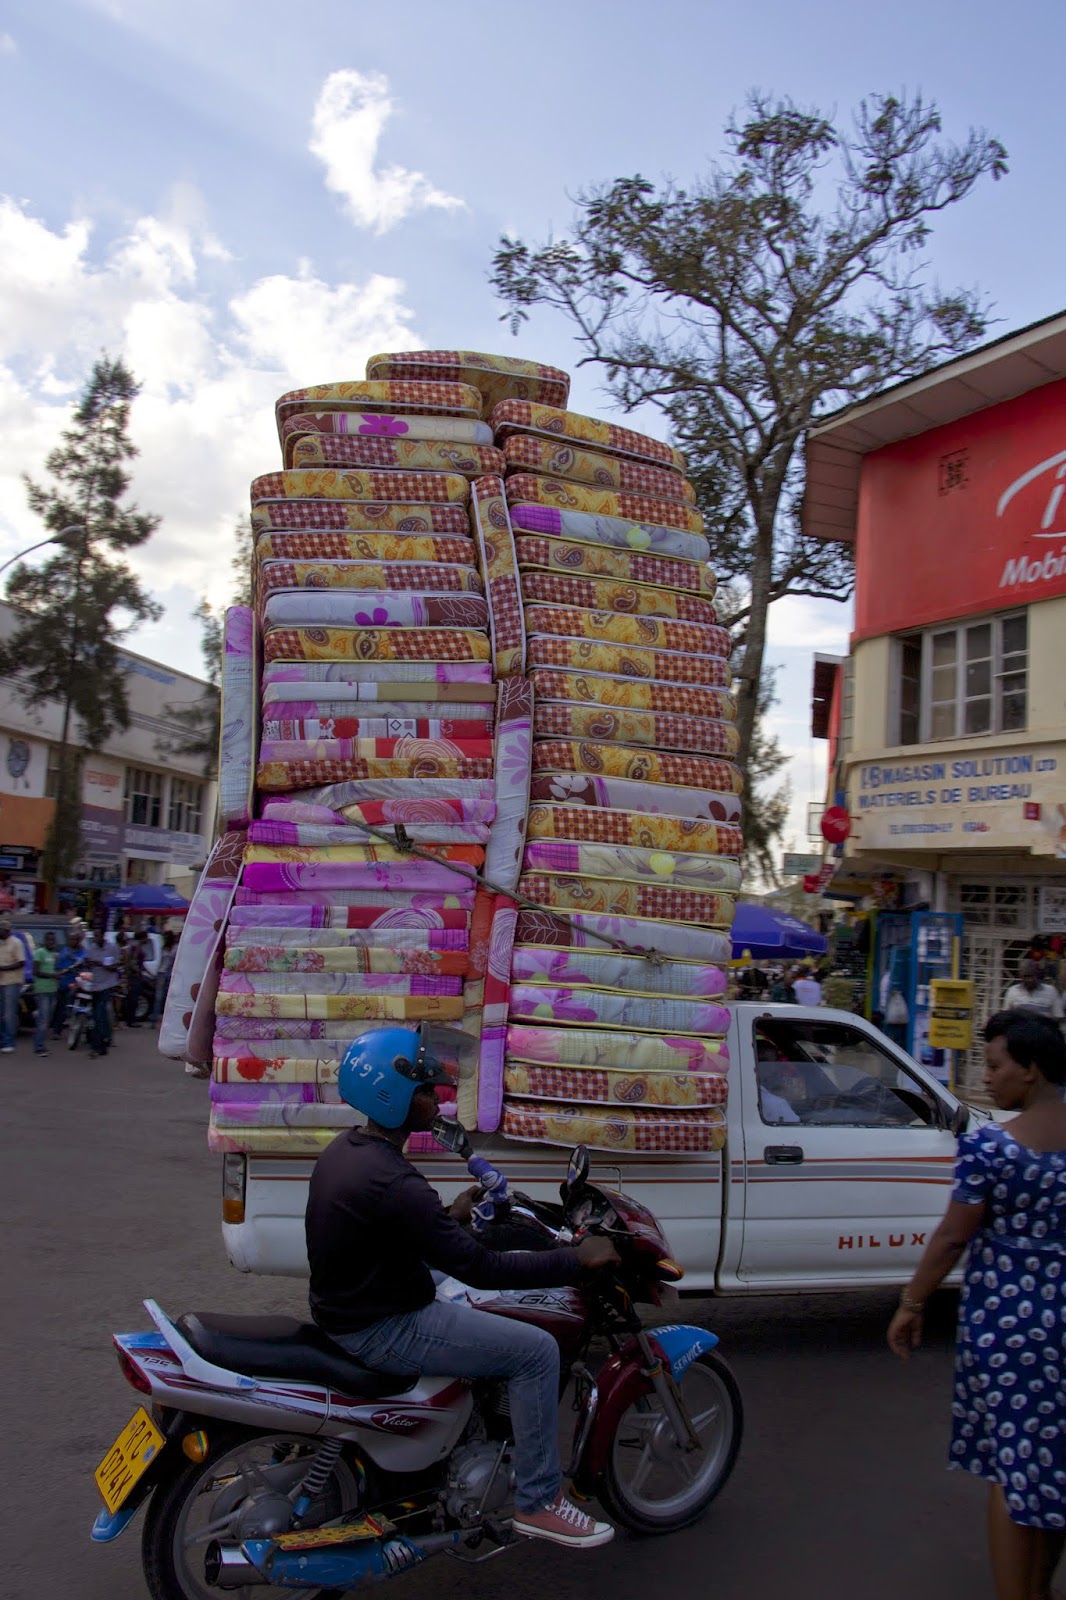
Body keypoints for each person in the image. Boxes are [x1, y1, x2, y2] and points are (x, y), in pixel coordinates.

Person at [306, 1025, 619, 1550]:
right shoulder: (397, 1182)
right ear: (393, 1097)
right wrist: (574, 1260)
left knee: (457, 1288)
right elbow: (483, 1268)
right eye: (426, 1092)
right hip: (383, 1325)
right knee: (537, 1351)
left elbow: (380, 1232)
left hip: (353, 1302)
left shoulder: (348, 1151)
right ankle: (540, 1501)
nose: (435, 1099)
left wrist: (449, 1217)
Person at [887, 1010, 1066, 1600]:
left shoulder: (992, 1147)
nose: (986, 1078)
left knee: (1013, 1471)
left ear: (1032, 1071)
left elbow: (952, 1237)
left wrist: (912, 1303)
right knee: (1054, 1462)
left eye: (995, 1065)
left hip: (1010, 1329)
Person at [83, 927, 120, 1057]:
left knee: (98, 1015)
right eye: (95, 936)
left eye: (98, 936)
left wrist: (101, 964)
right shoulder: (91, 948)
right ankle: (105, 1041)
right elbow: (87, 964)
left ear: (103, 936)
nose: (96, 939)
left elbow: (115, 967)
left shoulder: (112, 947)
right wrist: (88, 963)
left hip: (107, 985)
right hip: (95, 985)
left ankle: (96, 1047)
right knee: (100, 1017)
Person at [1002, 958, 1064, 1024]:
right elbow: (1005, 1017)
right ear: (1020, 976)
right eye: (1026, 976)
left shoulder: (1051, 991)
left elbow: (1058, 1017)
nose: (1029, 980)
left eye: (1031, 976)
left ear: (1037, 974)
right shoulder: (1012, 991)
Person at [52, 925, 85, 1038]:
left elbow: (83, 965)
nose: (72, 941)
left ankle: (74, 1028)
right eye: (70, 939)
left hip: (75, 983)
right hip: (62, 981)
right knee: (59, 1007)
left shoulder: (82, 953)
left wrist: (75, 960)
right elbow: (58, 965)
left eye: (74, 939)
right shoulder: (64, 950)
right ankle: (57, 1031)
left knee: (69, 1006)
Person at [0, 917, 26, 1053]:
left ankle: (9, 1042)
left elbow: (21, 962)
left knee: (9, 1014)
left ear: (7, 930)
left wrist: (3, 968)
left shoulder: (16, 943)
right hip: (1, 982)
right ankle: (2, 1041)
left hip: (12, 982)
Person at [32, 931, 58, 1057]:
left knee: (46, 1018)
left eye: (53, 940)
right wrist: (51, 975)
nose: (51, 942)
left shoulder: (53, 954)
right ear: (45, 941)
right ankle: (39, 1047)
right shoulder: (39, 952)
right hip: (42, 990)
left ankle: (36, 1014)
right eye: (49, 940)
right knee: (43, 1020)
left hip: (52, 989)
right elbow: (35, 972)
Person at [151, 930, 176, 1026]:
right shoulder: (164, 948)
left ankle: (166, 1019)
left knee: (168, 997)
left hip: (169, 973)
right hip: (162, 973)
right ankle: (154, 1019)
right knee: (159, 997)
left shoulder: (174, 948)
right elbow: (161, 961)